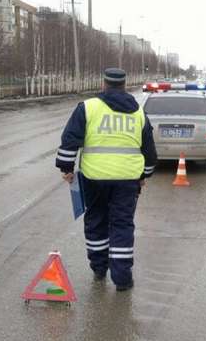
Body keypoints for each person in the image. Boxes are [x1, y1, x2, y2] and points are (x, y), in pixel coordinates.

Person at [56, 68, 157, 291]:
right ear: (123, 84)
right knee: (122, 225)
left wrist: (66, 168)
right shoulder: (138, 113)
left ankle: (99, 268)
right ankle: (122, 279)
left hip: (94, 177)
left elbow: (70, 139)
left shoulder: (88, 107)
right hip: (128, 179)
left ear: (104, 84)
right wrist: (144, 175)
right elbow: (149, 150)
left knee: (96, 221)